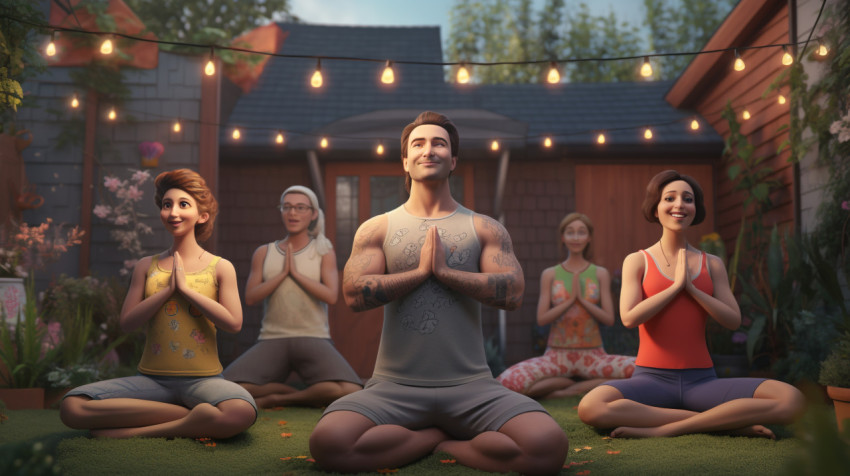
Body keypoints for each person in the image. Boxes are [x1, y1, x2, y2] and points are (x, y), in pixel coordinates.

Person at [308, 111, 568, 475]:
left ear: (454, 160)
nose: (428, 150)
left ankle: (447, 442)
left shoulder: (485, 227)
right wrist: (418, 273)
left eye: (439, 143)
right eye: (419, 143)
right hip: (392, 388)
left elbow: (513, 293)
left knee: (547, 447)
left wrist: (447, 273)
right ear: (405, 160)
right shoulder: (376, 228)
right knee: (329, 444)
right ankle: (433, 436)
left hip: (473, 388)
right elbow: (353, 294)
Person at [577, 170, 804, 438]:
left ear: (696, 208)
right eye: (669, 198)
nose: (679, 205)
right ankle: (727, 422)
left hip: (703, 382)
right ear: (656, 207)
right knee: (591, 407)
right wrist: (674, 288)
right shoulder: (638, 261)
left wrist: (693, 290)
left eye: (688, 199)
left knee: (793, 400)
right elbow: (629, 318)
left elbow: (732, 320)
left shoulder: (712, 264)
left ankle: (666, 429)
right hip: (650, 381)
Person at [60, 169, 257, 439]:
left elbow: (234, 323)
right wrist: (166, 292)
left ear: (202, 215)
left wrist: (186, 290)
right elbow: (127, 322)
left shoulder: (221, 267)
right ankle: (195, 417)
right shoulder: (146, 266)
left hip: (204, 381)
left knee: (241, 411)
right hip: (150, 381)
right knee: (73, 407)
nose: (173, 212)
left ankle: (131, 433)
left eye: (183, 204)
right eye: (167, 205)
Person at [223, 185, 362, 408]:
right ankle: (296, 392)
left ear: (313, 214)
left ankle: (282, 398)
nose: (293, 213)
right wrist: (281, 275)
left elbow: (331, 296)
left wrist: (295, 274)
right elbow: (250, 297)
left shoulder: (323, 250)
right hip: (272, 338)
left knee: (351, 390)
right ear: (281, 211)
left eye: (300, 208)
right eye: (286, 207)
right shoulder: (264, 252)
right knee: (225, 388)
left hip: (313, 337)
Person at [497, 212, 635, 399]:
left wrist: (583, 301)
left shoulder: (600, 273)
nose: (576, 237)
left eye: (581, 232)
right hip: (556, 356)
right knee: (507, 382)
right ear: (563, 237)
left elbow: (609, 319)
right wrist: (570, 301)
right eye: (570, 232)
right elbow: (542, 318)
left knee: (641, 370)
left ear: (589, 238)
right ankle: (572, 385)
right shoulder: (550, 274)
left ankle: (567, 390)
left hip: (593, 356)